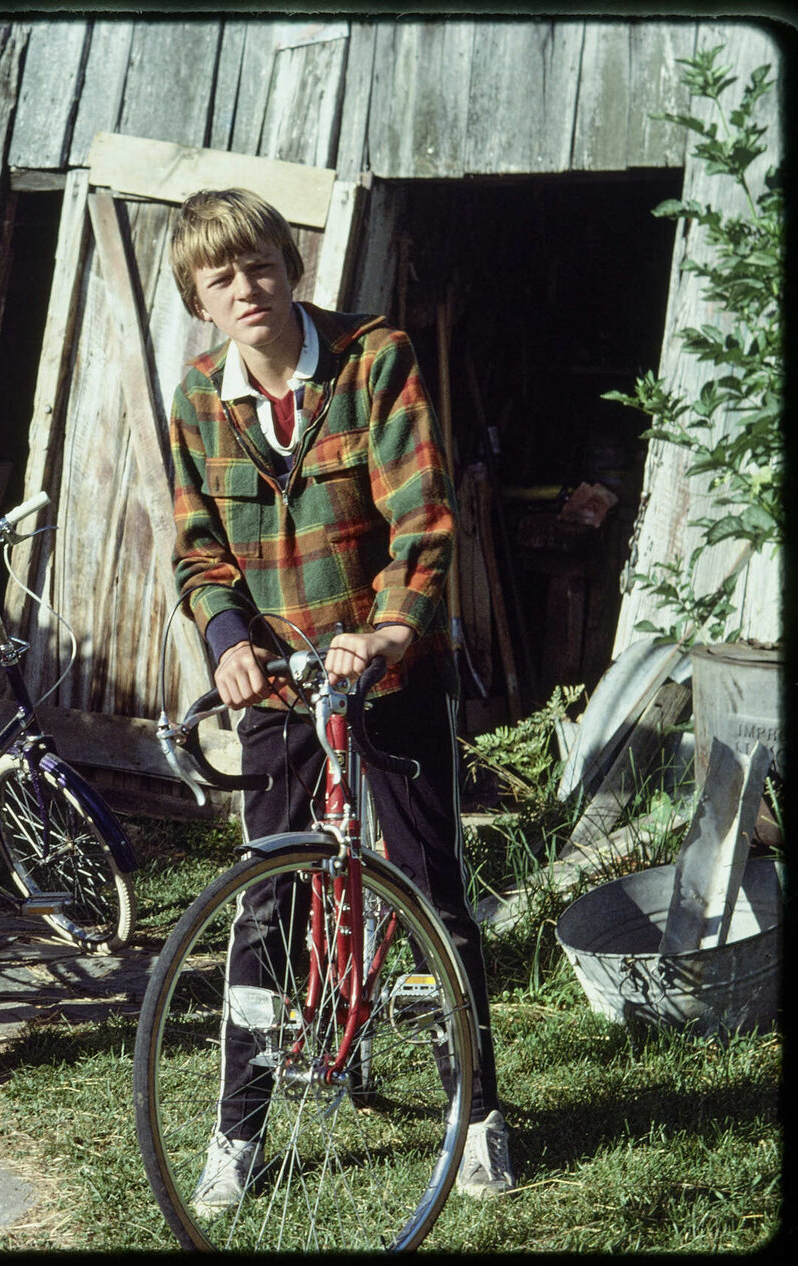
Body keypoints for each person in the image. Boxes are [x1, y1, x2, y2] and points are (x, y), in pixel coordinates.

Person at [164, 188, 514, 1203]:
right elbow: (198, 553)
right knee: (262, 902)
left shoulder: (373, 358)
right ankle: (237, 1135)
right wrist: (228, 642)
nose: (246, 287)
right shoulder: (198, 401)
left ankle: (477, 1112)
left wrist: (393, 623)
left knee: (431, 888)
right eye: (221, 275)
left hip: (388, 671)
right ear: (199, 296)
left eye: (260, 264)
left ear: (290, 267)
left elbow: (423, 512)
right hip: (277, 689)